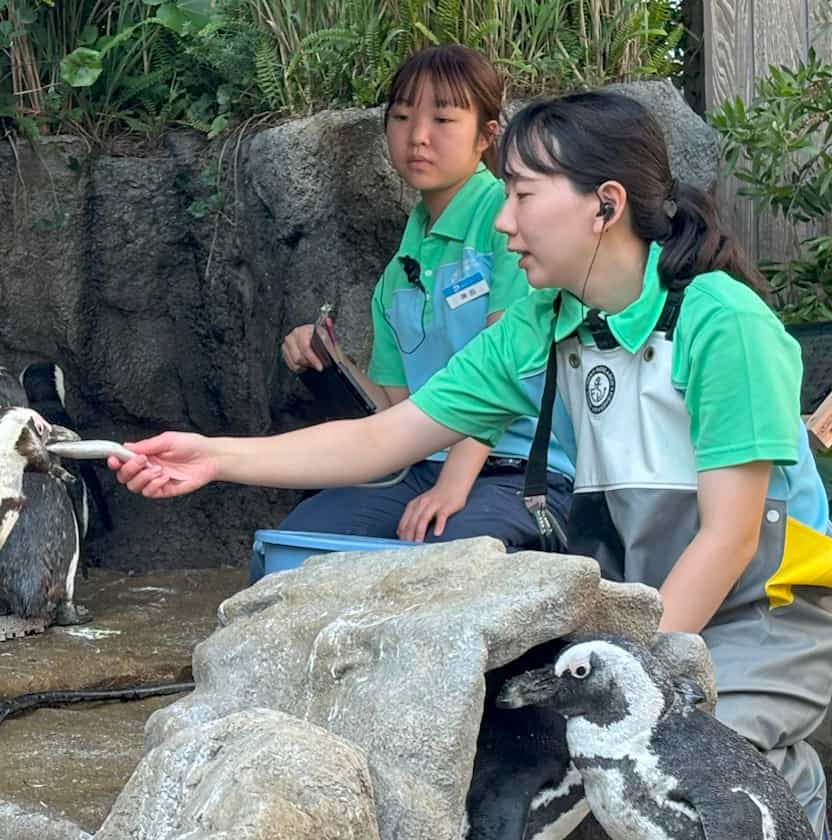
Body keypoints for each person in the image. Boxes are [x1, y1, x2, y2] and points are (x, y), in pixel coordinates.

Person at [108, 90, 832, 835]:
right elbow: (384, 438)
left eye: (521, 193)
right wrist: (215, 456)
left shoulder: (722, 322)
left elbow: (730, 539)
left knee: (693, 778)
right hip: (644, 613)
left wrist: (636, 684)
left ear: (604, 205)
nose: (503, 219)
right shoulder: (548, 322)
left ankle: (796, 786)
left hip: (764, 618)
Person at [276, 45, 573, 561]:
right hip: (419, 466)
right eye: (402, 117)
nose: (418, 136)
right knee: (297, 543)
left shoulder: (510, 224)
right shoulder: (398, 272)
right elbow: (394, 412)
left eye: (443, 118)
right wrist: (333, 362)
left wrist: (454, 486)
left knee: (443, 554)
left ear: (486, 134)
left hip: (519, 467)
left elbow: (497, 381)